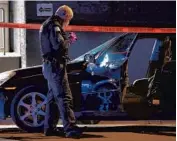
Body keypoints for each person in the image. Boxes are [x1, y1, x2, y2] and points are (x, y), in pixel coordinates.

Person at [39, 5, 84, 138]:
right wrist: (70, 40)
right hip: (55, 67)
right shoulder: (54, 26)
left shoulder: (46, 24)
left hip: (48, 66)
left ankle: (49, 128)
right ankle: (71, 129)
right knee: (64, 97)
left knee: (52, 98)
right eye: (68, 20)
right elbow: (59, 46)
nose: (68, 23)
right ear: (64, 16)